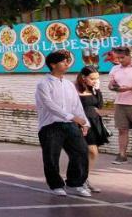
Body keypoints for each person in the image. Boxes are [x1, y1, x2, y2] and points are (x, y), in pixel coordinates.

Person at [34, 50, 91, 197]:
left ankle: (75, 183)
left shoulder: (68, 84)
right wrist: (72, 117)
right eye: (63, 61)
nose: (67, 64)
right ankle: (56, 185)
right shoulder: (43, 84)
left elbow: (77, 104)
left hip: (70, 124)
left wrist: (85, 122)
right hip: (50, 126)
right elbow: (49, 105)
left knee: (81, 152)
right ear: (53, 65)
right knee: (52, 156)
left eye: (68, 61)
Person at [76, 66, 109, 191]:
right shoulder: (76, 90)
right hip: (82, 122)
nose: (95, 81)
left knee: (92, 152)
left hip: (95, 122)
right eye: (92, 78)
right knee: (87, 151)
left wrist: (98, 89)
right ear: (84, 78)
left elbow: (99, 105)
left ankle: (84, 178)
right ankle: (81, 179)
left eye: (97, 79)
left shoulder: (93, 89)